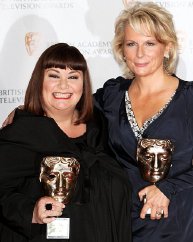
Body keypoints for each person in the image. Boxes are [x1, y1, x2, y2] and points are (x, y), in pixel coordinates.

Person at [0, 43, 131, 242]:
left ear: (83, 84)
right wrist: (31, 212)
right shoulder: (21, 133)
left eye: (73, 77)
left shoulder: (101, 127)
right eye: (54, 75)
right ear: (39, 81)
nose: (63, 86)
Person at [94, 1, 193, 241]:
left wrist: (169, 188)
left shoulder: (190, 99)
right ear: (121, 49)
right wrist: (29, 109)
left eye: (150, 43)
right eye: (131, 44)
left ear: (167, 47)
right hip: (120, 223)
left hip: (177, 223)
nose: (140, 53)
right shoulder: (111, 95)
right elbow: (70, 116)